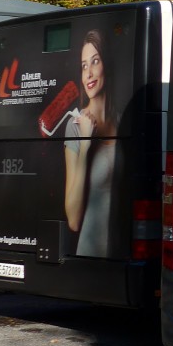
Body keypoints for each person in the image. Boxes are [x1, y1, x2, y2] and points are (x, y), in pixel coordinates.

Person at [63, 29, 118, 256]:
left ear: (107, 64)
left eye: (95, 61)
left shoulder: (124, 122)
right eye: (84, 66)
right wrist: (86, 144)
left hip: (124, 253)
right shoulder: (74, 127)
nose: (89, 73)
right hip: (91, 256)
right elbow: (73, 220)